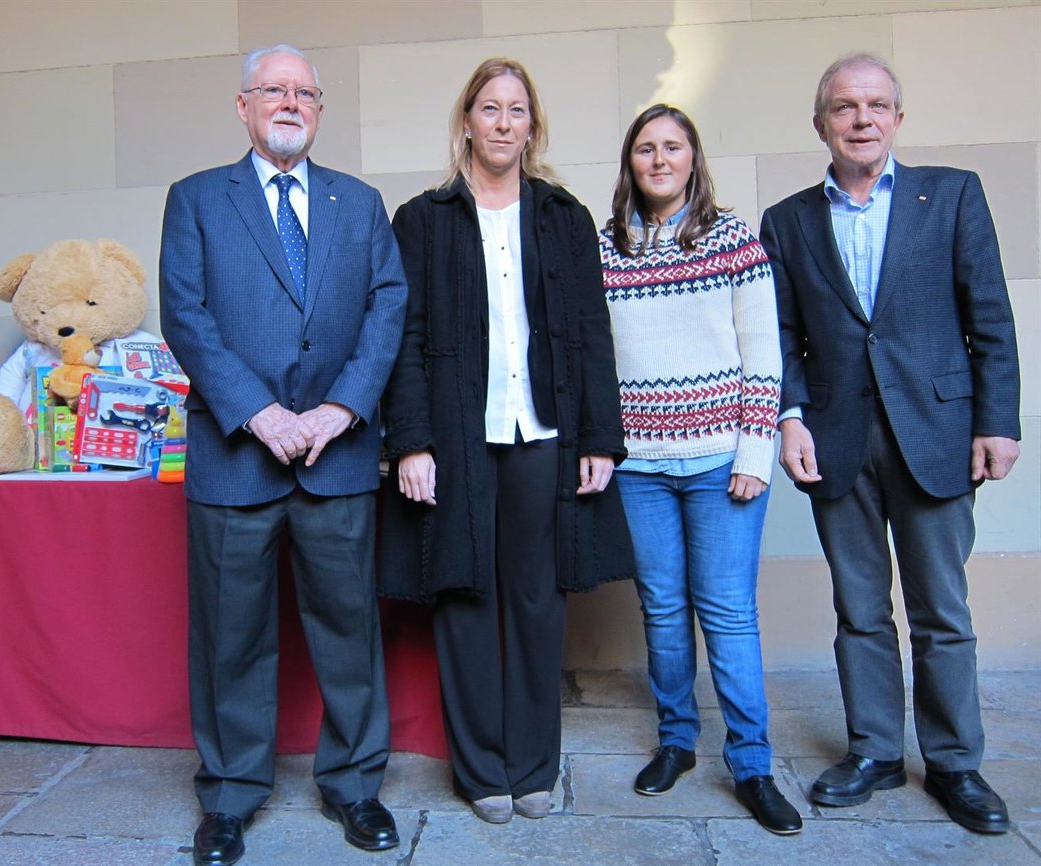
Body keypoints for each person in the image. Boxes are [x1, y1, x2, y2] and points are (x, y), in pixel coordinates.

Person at [159, 44, 408, 866]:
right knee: (232, 635)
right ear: (243, 107)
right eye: (274, 90)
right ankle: (230, 796)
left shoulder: (360, 202)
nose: (290, 103)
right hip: (237, 459)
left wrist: (339, 408)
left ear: (320, 109)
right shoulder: (195, 199)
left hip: (336, 456)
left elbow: (387, 308)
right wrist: (261, 413)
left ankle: (355, 787)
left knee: (346, 629)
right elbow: (186, 317)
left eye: (305, 92)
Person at [760, 53, 1021, 834]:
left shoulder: (953, 196)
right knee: (861, 608)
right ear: (821, 124)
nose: (862, 119)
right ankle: (873, 749)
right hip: (837, 440)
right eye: (845, 107)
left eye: (876, 106)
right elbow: (783, 336)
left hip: (937, 433)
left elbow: (991, 319)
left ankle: (954, 765)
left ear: (898, 120)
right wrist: (790, 416)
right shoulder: (789, 220)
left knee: (942, 609)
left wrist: (997, 422)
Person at [379, 57, 634, 826]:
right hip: (457, 437)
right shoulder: (423, 218)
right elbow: (405, 337)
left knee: (535, 598)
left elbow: (591, 333)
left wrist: (599, 438)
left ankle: (533, 766)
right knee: (464, 592)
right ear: (466, 121)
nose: (501, 122)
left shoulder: (565, 216)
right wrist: (412, 442)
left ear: (532, 126)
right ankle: (482, 766)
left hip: (544, 433)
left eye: (515, 110)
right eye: (487, 108)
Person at [599, 104, 801, 835]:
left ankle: (752, 764)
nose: (659, 159)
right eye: (646, 149)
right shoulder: (607, 249)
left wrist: (756, 453)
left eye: (672, 147)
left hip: (722, 462)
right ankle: (677, 741)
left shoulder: (732, 241)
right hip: (641, 467)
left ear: (693, 158)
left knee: (728, 615)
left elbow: (765, 356)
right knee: (662, 609)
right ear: (631, 163)